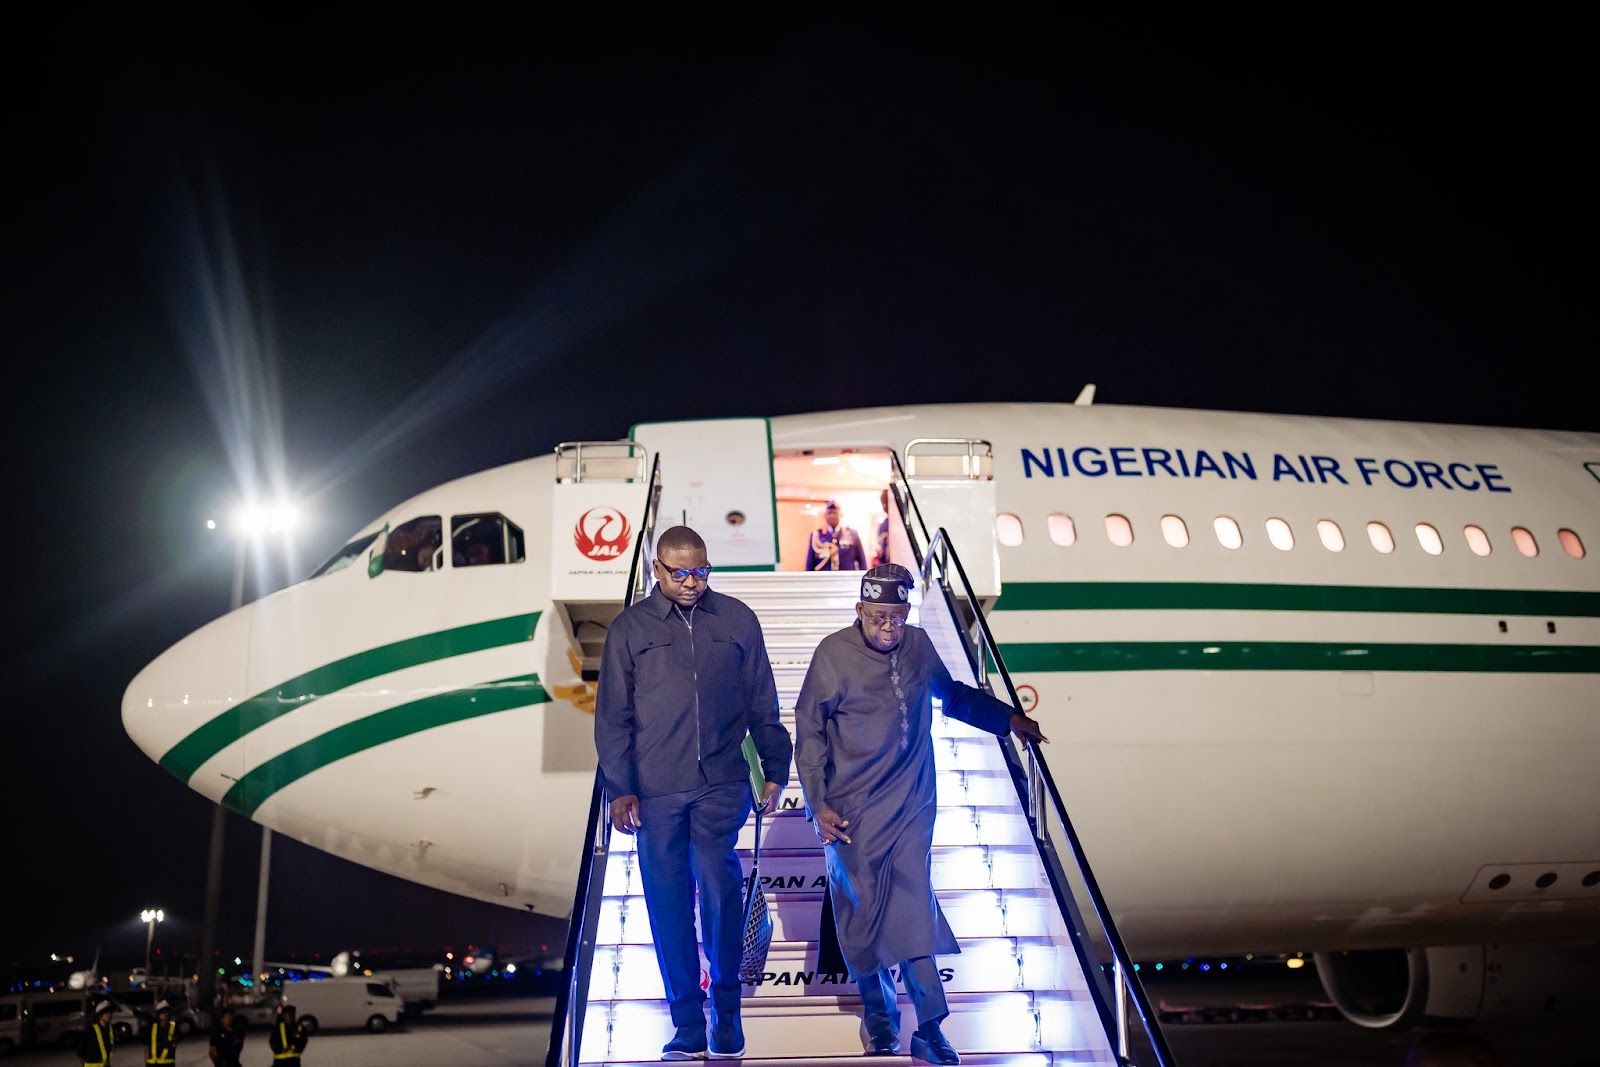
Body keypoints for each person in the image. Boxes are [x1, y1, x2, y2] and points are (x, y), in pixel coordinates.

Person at [794, 564, 1048, 1065]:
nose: (888, 628)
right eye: (877, 617)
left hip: (911, 801)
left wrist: (1007, 719)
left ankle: (930, 1027)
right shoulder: (833, 655)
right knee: (862, 918)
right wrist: (817, 803)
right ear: (859, 611)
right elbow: (810, 734)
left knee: (911, 910)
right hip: (851, 810)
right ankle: (881, 1019)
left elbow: (950, 696)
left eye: (897, 617)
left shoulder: (917, 645)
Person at [595, 525, 793, 1060]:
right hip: (655, 791)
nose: (691, 582)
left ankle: (727, 1015)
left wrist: (775, 766)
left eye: (700, 571)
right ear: (656, 570)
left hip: (722, 783)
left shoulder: (736, 619)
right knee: (668, 905)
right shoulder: (629, 628)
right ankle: (686, 1023)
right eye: (679, 572)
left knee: (722, 889)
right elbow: (613, 715)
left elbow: (762, 700)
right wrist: (620, 788)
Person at [805, 500, 867, 571]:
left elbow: (862, 562)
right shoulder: (816, 536)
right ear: (825, 516)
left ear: (841, 515)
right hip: (824, 579)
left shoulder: (852, 534)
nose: (832, 516)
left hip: (847, 579)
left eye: (835, 513)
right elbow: (809, 563)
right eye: (829, 513)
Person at [79, 1001, 116, 1067]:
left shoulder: (110, 1029)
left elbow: (110, 1047)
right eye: (106, 1012)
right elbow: (81, 1051)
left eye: (110, 1012)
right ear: (99, 1014)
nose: (109, 1014)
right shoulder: (90, 1030)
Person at [143, 1000, 178, 1066]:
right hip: (152, 1064)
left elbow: (175, 1045)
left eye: (166, 1011)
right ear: (158, 1014)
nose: (165, 1014)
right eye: (162, 1012)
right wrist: (146, 1062)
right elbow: (146, 1048)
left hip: (168, 1064)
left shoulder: (174, 1027)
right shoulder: (151, 1028)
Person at [873, 489, 891, 568]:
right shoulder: (883, 525)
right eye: (882, 503)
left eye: (886, 502)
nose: (884, 506)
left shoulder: (899, 524)